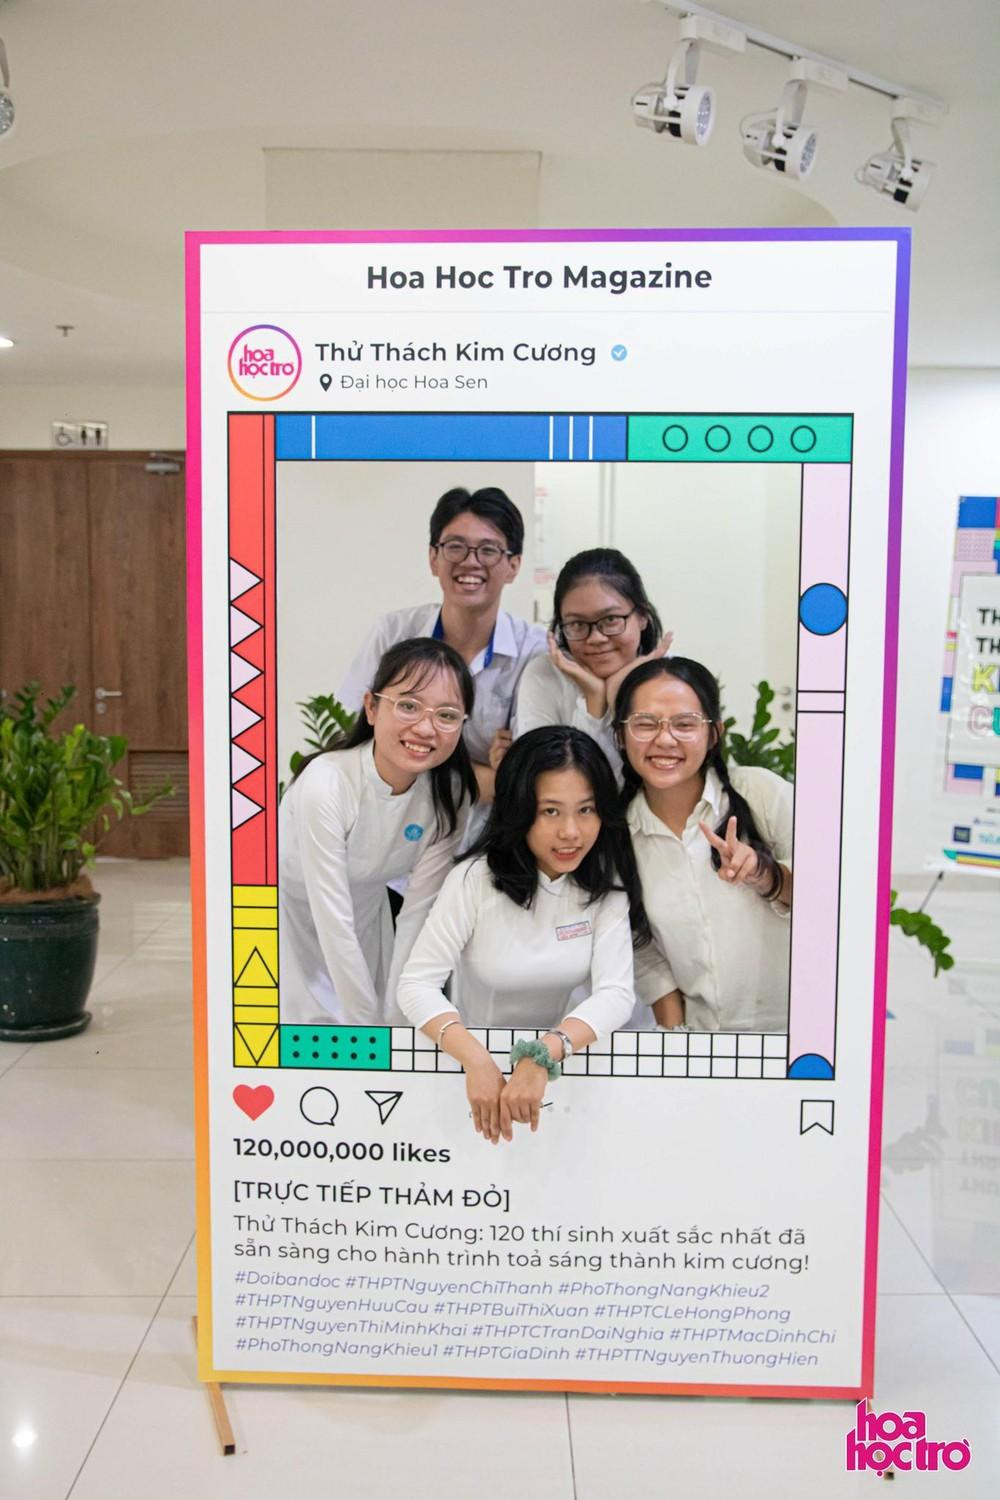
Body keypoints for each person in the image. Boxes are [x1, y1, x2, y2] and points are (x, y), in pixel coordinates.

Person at [396, 727, 648, 1143]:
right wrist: (476, 1060)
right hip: (464, 1066)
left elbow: (616, 995)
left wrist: (542, 1055)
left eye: (586, 810)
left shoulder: (605, 889)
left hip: (557, 1068)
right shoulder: (473, 880)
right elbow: (416, 986)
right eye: (550, 811)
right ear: (519, 808)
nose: (571, 831)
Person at [279, 638, 477, 1025]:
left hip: (367, 922)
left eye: (447, 715)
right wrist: (366, 1030)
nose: (425, 728)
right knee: (307, 1035)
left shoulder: (449, 797)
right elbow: (331, 915)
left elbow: (417, 915)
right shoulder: (326, 784)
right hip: (292, 922)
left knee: (386, 1018)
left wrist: (398, 1022)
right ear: (371, 707)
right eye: (408, 706)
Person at [616, 657, 793, 1034]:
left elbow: (835, 897)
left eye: (685, 724)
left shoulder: (761, 794)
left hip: (797, 1034)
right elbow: (642, 947)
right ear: (620, 735)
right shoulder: (619, 834)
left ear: (714, 734)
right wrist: (676, 1036)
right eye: (645, 723)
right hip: (701, 1042)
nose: (665, 739)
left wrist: (766, 875)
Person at [340, 486, 545, 804]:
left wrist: (408, 758)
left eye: (488, 550)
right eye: (455, 547)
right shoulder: (393, 633)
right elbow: (356, 746)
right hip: (393, 816)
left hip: (489, 830)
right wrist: (489, 777)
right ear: (433, 558)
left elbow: (529, 780)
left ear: (514, 566)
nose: (471, 562)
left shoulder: (535, 652)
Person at [512, 548, 671, 781]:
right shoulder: (545, 673)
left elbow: (665, 782)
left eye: (611, 620)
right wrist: (594, 703)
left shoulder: (671, 678)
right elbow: (538, 782)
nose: (596, 638)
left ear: (642, 616)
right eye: (577, 624)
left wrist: (618, 697)